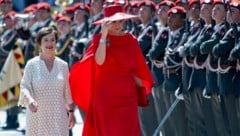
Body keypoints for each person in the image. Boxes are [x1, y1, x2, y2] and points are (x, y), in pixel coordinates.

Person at [69, 4, 154, 136]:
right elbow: (99, 61)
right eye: (113, 22)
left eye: (120, 21)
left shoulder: (131, 40)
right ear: (105, 23)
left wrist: (141, 92)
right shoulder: (98, 39)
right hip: (105, 97)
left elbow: (138, 68)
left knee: (128, 131)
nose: (117, 25)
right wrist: (103, 37)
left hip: (127, 96)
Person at [18, 27, 75, 136]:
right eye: (46, 40)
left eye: (52, 40)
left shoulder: (63, 65)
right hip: (37, 116)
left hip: (58, 116)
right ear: (40, 44)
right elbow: (24, 86)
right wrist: (30, 101)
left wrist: (71, 112)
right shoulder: (32, 64)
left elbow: (66, 91)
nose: (50, 43)